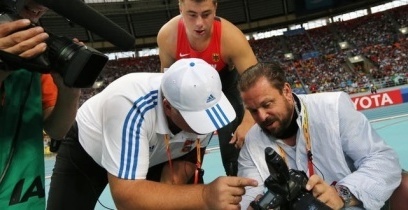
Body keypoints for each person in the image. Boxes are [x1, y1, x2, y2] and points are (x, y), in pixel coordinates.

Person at [47, 58, 258, 210]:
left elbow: (187, 166)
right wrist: (205, 195)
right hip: (88, 152)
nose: (207, 128)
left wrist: (170, 187)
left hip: (153, 152)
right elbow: (126, 198)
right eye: (198, 119)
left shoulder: (197, 100)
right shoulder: (129, 104)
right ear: (168, 106)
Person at [236, 62, 405, 209]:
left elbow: (383, 160)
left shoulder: (332, 108)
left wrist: (342, 194)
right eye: (253, 111)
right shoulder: (251, 140)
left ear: (286, 91)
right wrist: (255, 205)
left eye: (267, 104)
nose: (262, 116)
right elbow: (249, 192)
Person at [157, 0, 258, 177]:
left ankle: (239, 186)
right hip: (187, 92)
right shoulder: (167, 35)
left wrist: (248, 122)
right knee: (182, 147)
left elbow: (255, 84)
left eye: (206, 14)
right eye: (191, 15)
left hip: (224, 88)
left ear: (215, 8)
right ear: (180, 8)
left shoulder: (231, 37)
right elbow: (165, 86)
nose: (199, 24)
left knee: (234, 142)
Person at [0, 1, 81, 209]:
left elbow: (57, 130)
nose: (42, 4)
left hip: (26, 199)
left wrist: (69, 92)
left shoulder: (37, 54)